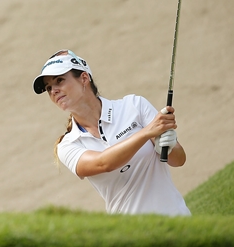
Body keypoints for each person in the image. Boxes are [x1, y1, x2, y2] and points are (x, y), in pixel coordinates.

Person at [32, 49, 191, 216]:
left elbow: (178, 160)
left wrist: (170, 144)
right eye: (49, 87)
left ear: (84, 78)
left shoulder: (134, 106)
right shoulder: (68, 145)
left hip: (177, 219)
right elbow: (103, 163)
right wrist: (146, 133)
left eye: (60, 80)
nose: (53, 90)